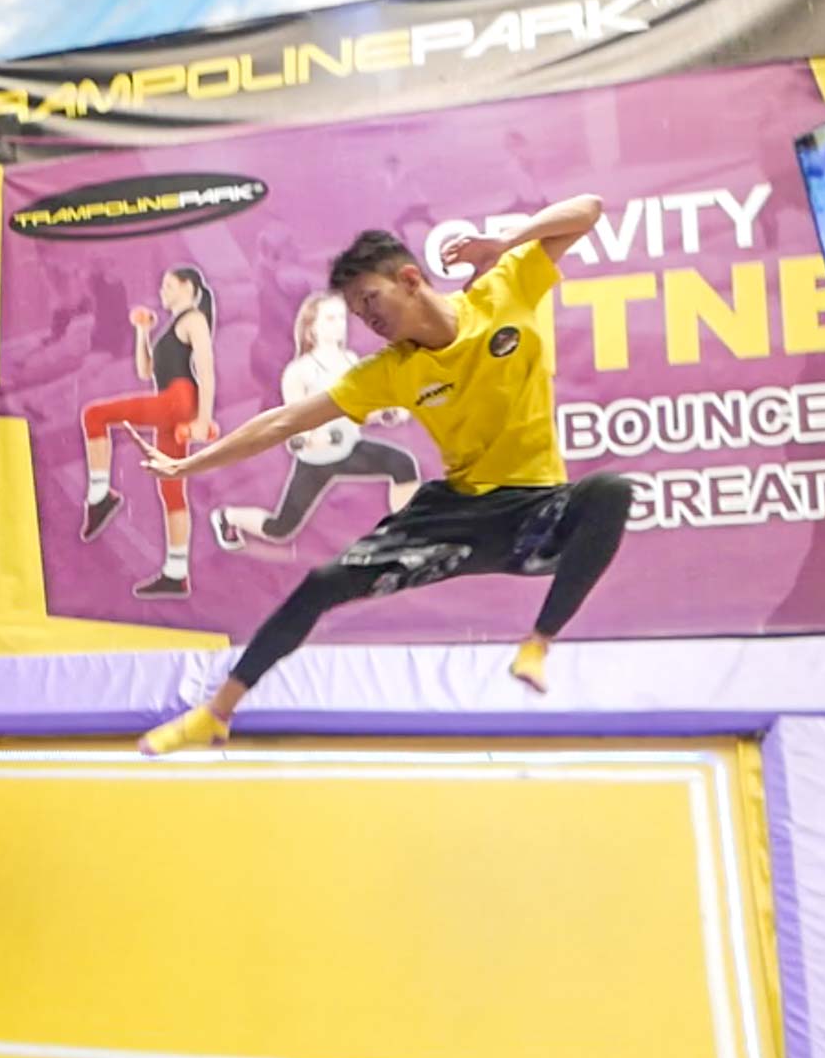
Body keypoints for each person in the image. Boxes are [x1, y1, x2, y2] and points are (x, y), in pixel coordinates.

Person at [130, 196, 635, 754]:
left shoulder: (505, 289)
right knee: (323, 582)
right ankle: (215, 714)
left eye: (372, 300)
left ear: (411, 279)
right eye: (358, 312)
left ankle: (537, 644)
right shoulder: (390, 371)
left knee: (611, 492)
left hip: (536, 513)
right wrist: (189, 463)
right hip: (452, 514)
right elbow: (282, 422)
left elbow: (588, 209)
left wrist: (502, 244)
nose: (368, 319)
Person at [212, 290, 420, 550]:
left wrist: (386, 413)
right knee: (281, 529)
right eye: (330, 319)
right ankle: (228, 517)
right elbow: (293, 428)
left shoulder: (351, 361)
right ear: (313, 328)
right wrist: (312, 438)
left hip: (349, 449)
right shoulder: (299, 372)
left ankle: (401, 537)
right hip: (316, 462)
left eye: (341, 318)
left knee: (402, 464)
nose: (339, 325)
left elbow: (357, 412)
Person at [79, 266, 218, 598]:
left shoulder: (193, 320)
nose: (162, 291)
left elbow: (207, 370)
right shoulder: (171, 328)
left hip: (179, 401)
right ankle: (176, 572)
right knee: (171, 490)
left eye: (169, 285)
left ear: (188, 288)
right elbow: (145, 370)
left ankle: (100, 496)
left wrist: (202, 419)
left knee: (94, 415)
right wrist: (142, 331)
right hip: (168, 403)